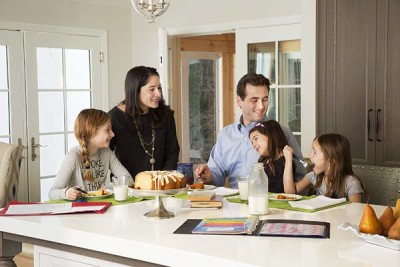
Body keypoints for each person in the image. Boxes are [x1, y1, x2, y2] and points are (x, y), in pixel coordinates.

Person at [194, 73, 305, 188]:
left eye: (265, 99)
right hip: (235, 204)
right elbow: (217, 176)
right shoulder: (226, 135)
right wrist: (209, 176)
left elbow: (300, 177)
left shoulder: (281, 132)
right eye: (254, 100)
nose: (261, 106)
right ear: (239, 101)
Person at [109, 66, 179, 178]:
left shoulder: (166, 115)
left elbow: (172, 152)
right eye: (152, 89)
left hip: (160, 186)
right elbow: (104, 155)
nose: (158, 94)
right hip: (126, 188)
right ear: (135, 90)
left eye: (159, 88)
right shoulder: (114, 117)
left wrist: (164, 180)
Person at [48, 109, 131, 200]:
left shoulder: (106, 152)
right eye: (107, 130)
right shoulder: (74, 156)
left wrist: (107, 187)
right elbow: (52, 193)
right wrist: (66, 193)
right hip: (80, 210)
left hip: (102, 207)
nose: (113, 134)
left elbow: (128, 180)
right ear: (91, 132)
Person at [283, 133, 364, 202]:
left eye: (315, 152)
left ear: (331, 161)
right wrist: (288, 161)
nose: (310, 156)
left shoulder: (352, 183)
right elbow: (290, 192)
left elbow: (355, 212)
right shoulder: (314, 176)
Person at [249, 120, 304, 193]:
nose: (254, 145)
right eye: (252, 142)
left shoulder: (285, 161)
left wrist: (288, 160)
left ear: (270, 135)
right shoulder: (263, 161)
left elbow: (289, 193)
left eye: (256, 138)